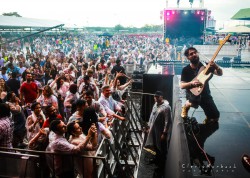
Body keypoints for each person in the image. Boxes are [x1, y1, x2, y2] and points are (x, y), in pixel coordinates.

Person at [180, 47, 223, 124]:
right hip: (192, 95)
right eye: (191, 54)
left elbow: (220, 73)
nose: (194, 55)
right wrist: (191, 84)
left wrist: (216, 66)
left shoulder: (206, 66)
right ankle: (186, 106)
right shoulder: (185, 69)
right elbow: (182, 85)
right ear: (188, 57)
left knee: (215, 116)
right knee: (194, 101)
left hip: (205, 94)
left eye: (195, 52)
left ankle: (207, 121)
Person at [144, 91, 172, 163]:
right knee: (155, 144)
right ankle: (157, 158)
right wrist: (149, 126)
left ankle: (162, 161)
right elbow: (151, 116)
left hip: (160, 130)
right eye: (154, 96)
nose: (155, 98)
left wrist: (164, 133)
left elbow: (167, 121)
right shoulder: (155, 104)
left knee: (161, 145)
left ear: (161, 97)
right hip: (154, 128)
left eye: (157, 97)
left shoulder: (166, 107)